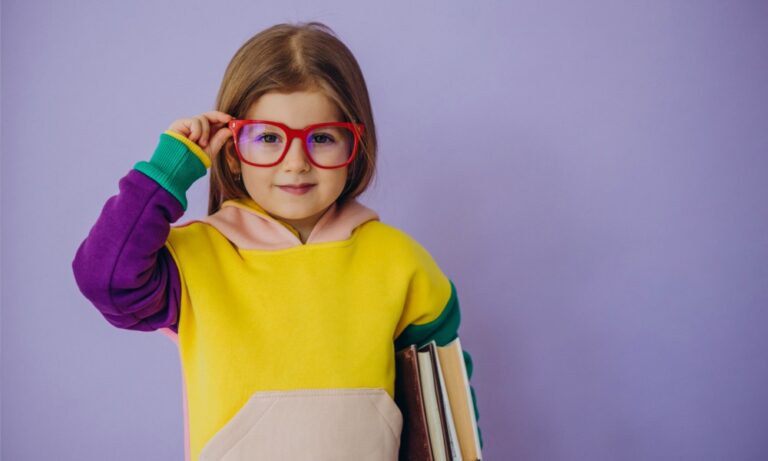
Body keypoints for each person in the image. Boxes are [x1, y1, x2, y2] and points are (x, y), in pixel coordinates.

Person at [72, 21, 482, 461]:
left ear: (355, 145)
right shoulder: (197, 259)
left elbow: (446, 414)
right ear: (232, 151)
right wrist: (171, 169)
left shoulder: (401, 262)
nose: (296, 162)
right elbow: (105, 280)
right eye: (269, 137)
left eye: (321, 138)